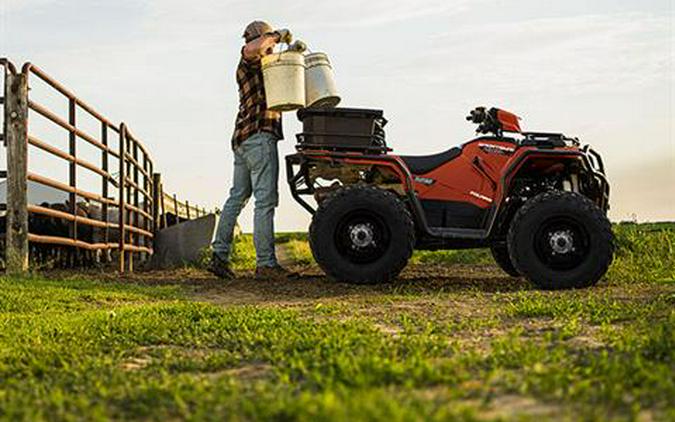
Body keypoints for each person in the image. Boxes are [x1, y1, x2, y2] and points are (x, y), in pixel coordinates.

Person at [209, 21, 295, 279]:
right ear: (259, 38)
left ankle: (219, 256)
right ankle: (266, 264)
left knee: (237, 197)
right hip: (258, 137)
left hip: (243, 140)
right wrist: (277, 36)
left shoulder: (265, 67)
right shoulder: (248, 58)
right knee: (265, 200)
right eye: (266, 40)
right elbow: (253, 48)